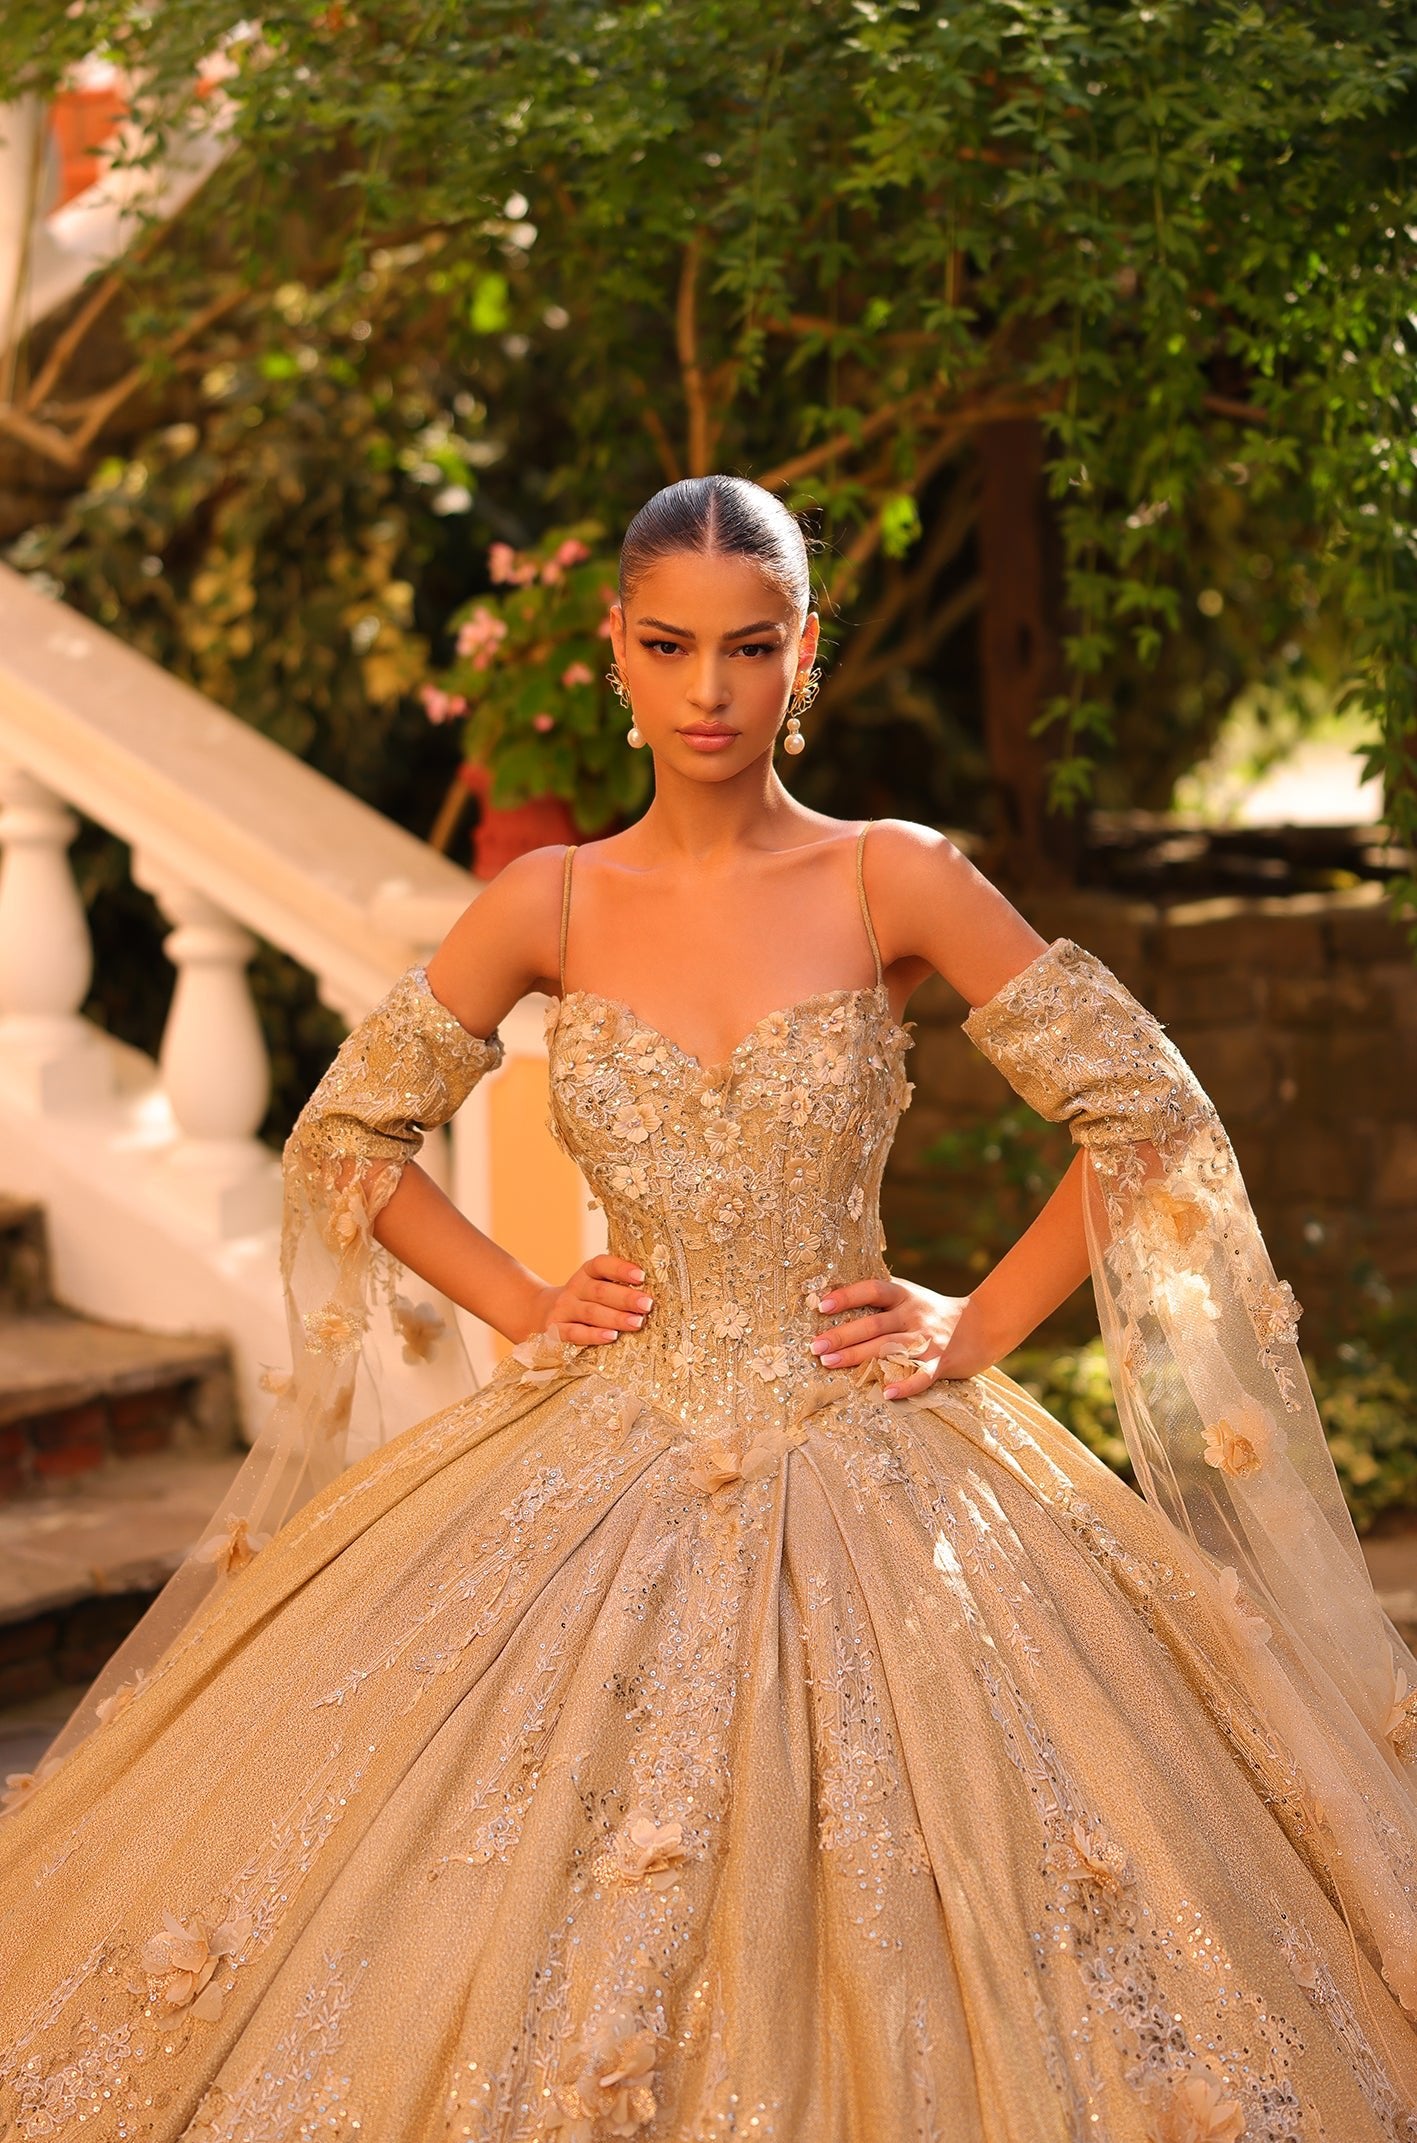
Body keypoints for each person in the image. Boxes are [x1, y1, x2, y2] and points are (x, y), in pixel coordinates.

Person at [1, 475, 1415, 2142]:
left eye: (749, 648)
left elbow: (1149, 1115)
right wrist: (524, 1297)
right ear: (614, 647)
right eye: (669, 646)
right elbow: (346, 1138)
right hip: (610, 1430)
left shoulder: (893, 877)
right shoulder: (556, 903)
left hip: (872, 1440)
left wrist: (979, 1324)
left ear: (803, 653)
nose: (708, 691)